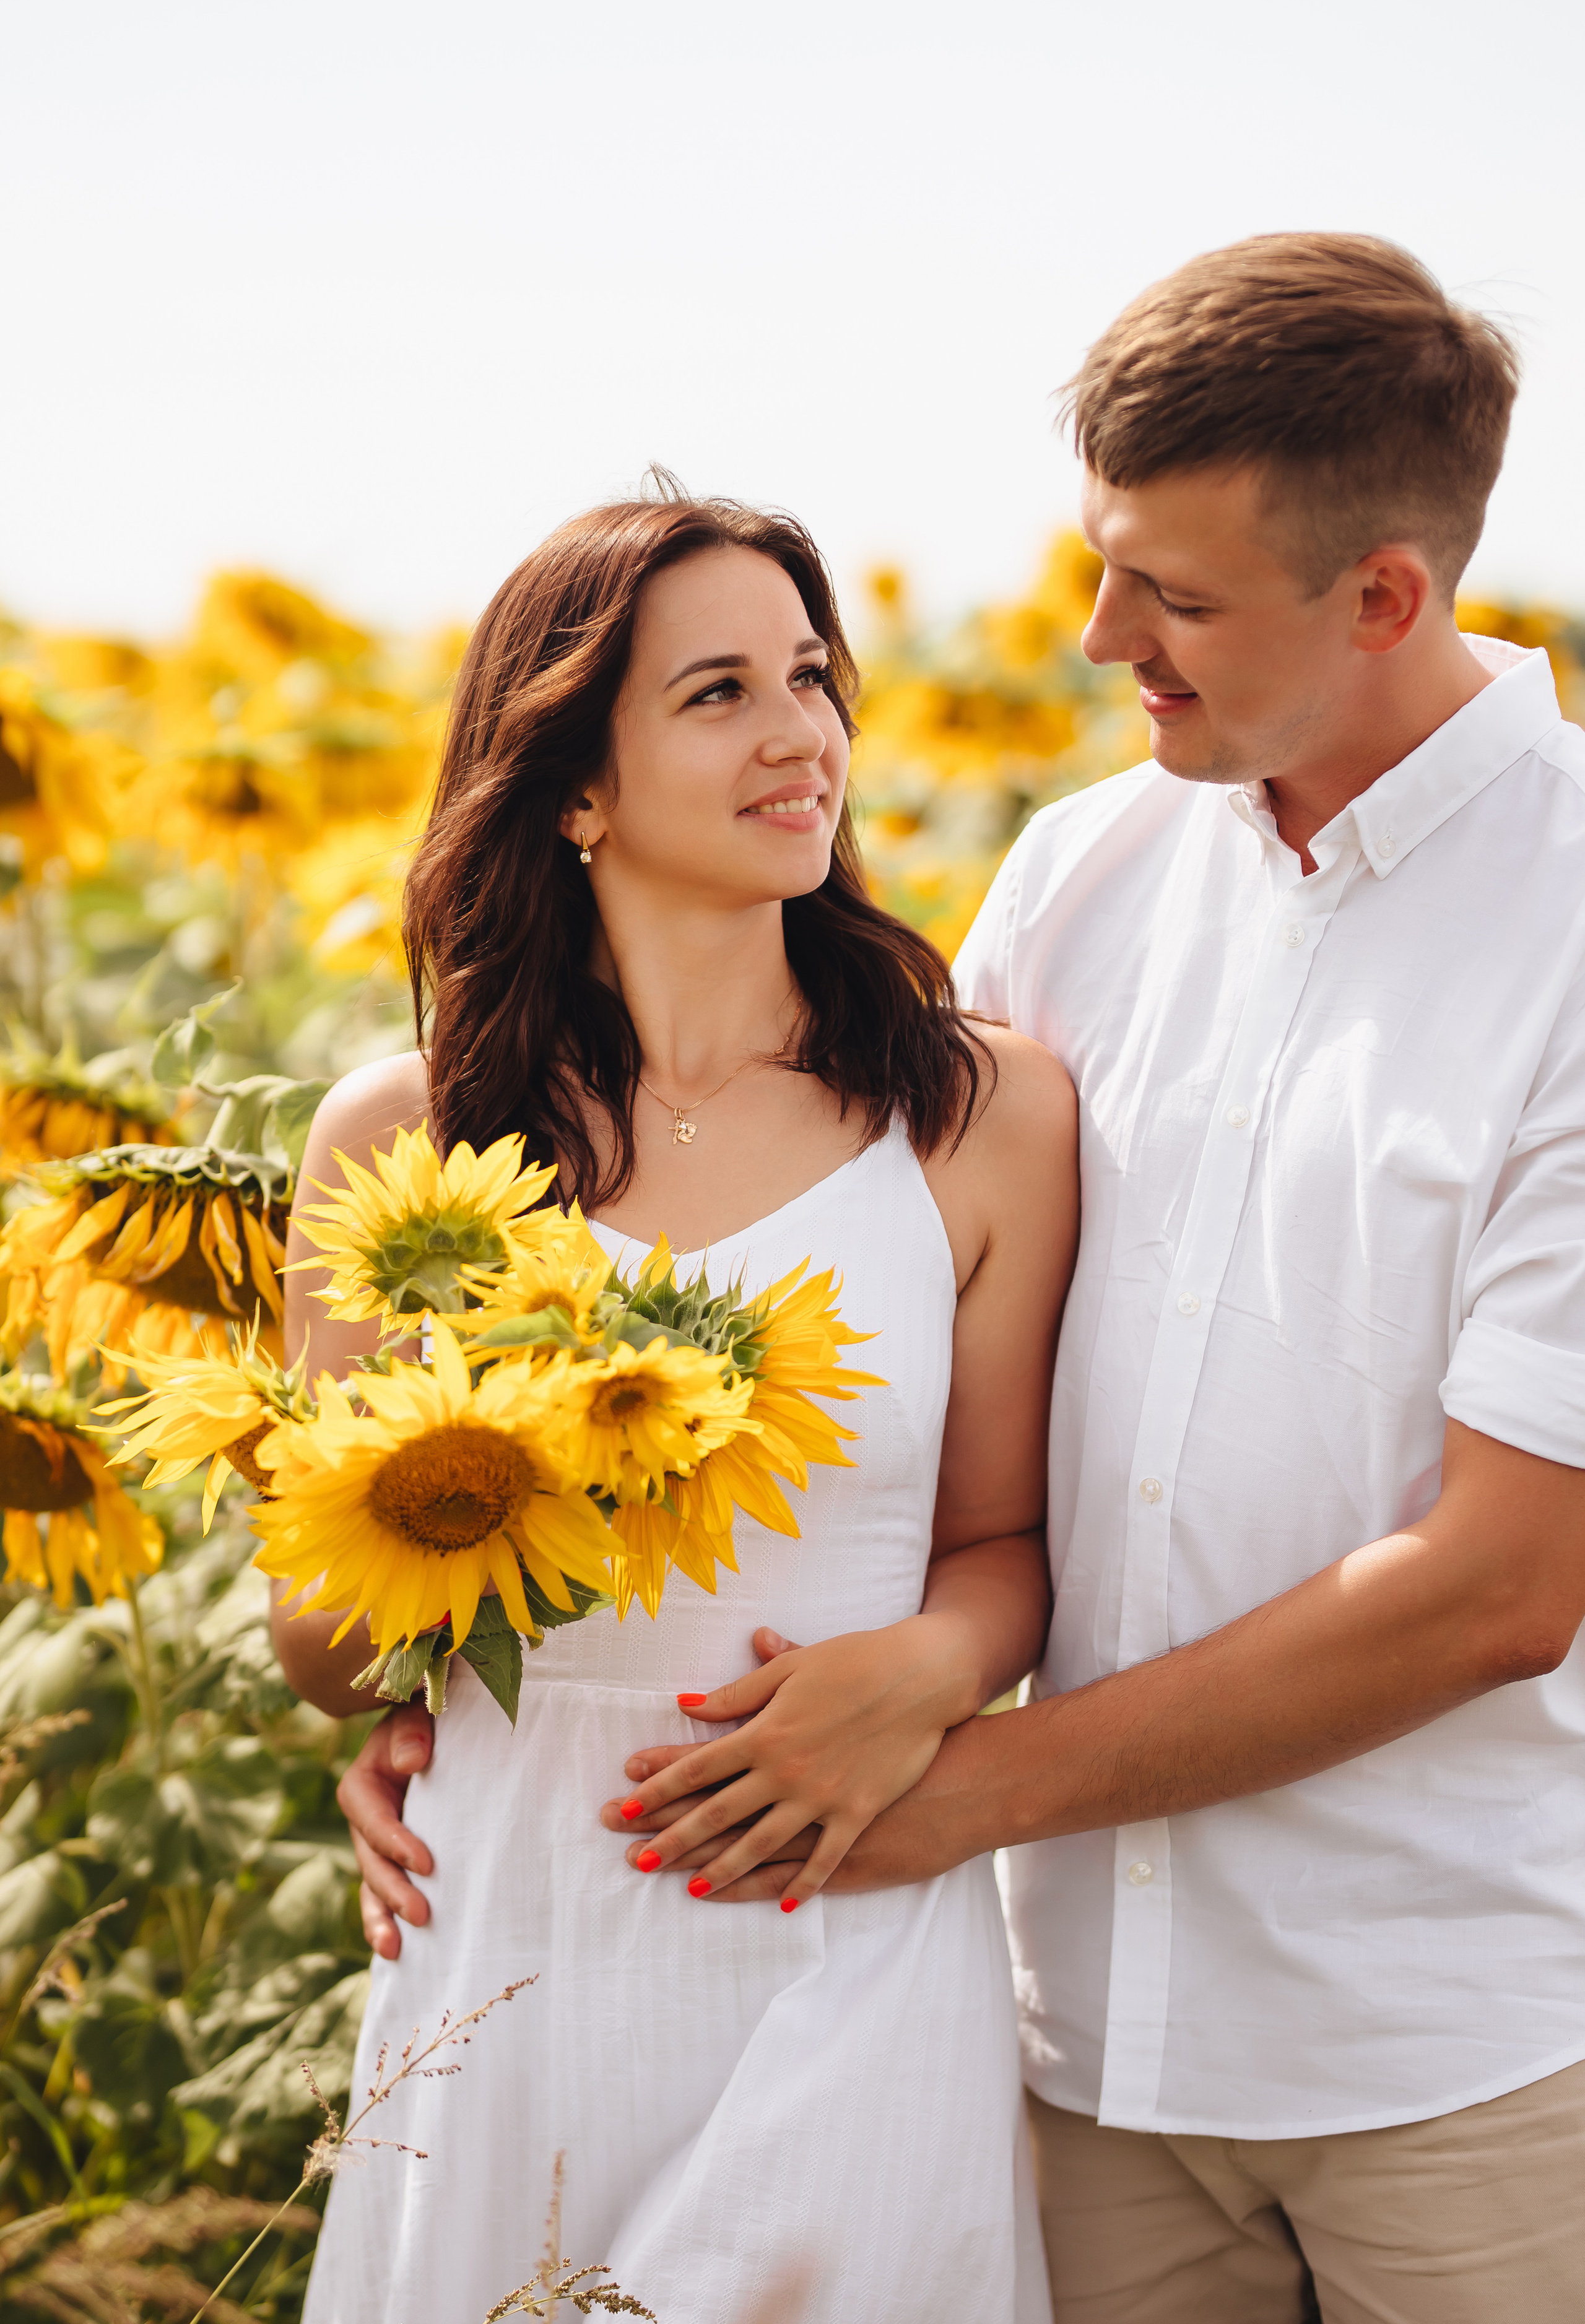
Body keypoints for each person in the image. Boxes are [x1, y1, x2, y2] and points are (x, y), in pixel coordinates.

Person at [345, 235, 1585, 2322]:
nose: (1101, 639)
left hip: (1434, 2051)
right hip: (1064, 2039)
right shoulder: (1079, 883)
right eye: (1103, 566)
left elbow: (1504, 1581)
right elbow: (914, 1395)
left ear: (1385, 594)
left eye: (1171, 598)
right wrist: (438, 1672)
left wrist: (936, 1780)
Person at [275, 485, 1076, 2324]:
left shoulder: (975, 1117)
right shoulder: (400, 1142)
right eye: (717, 693)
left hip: (844, 1890)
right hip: (511, 1919)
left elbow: (1008, 1542)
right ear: (573, 783)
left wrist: (939, 1665)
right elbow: (323, 1640)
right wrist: (457, 1505)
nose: (804, 734)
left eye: (812, 676)